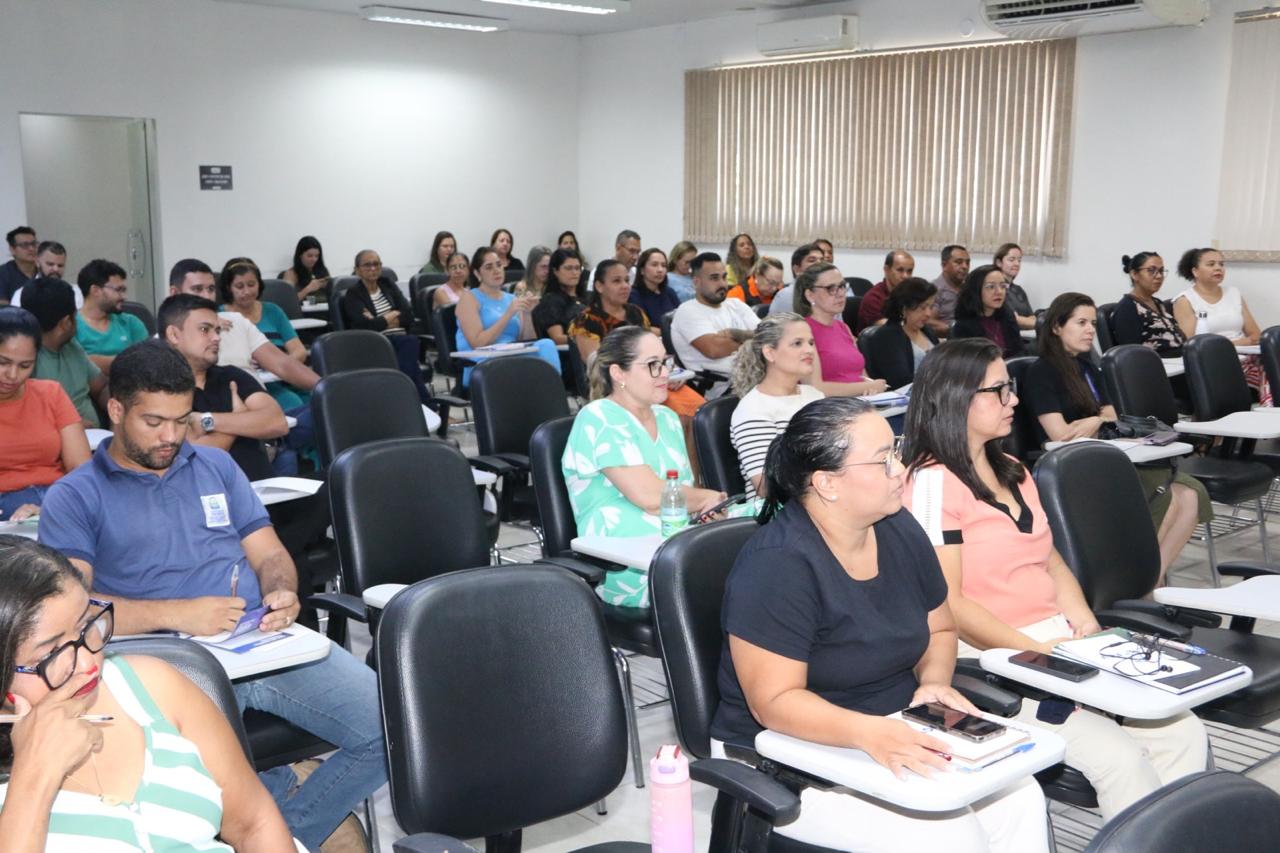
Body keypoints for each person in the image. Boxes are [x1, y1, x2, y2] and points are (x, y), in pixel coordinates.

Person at [36, 340, 388, 849]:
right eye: (154, 422)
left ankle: (281, 833)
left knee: (392, 726)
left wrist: (282, 592)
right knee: (187, 784)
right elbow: (76, 612)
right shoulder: (75, 495)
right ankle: (267, 819)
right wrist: (180, 614)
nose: (171, 436)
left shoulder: (216, 466)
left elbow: (269, 554)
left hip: (259, 643)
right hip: (168, 665)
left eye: (182, 421)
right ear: (115, 410)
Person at [710, 396, 1049, 853]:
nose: (901, 470)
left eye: (896, 451)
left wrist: (933, 682)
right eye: (883, 460)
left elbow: (940, 629)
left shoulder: (897, 527)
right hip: (783, 752)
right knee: (950, 836)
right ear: (827, 483)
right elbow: (775, 703)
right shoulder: (777, 565)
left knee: (1020, 797)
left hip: (892, 725)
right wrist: (869, 733)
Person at [901, 337, 1210, 821]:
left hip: (1057, 642)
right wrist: (1038, 653)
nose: (1013, 400)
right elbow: (948, 604)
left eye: (1010, 387)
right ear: (957, 398)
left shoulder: (1013, 470)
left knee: (1182, 729)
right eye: (999, 391)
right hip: (995, 654)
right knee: (1120, 758)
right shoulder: (930, 482)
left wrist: (1085, 624)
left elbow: (1049, 560)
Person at [0, 536, 298, 851]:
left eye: (87, 627)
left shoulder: (153, 686)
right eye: (50, 654)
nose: (88, 664)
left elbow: (254, 823)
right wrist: (33, 780)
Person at [1026, 293, 1210, 583]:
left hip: (1107, 455)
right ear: (1057, 327)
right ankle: (1139, 579)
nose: (1090, 330)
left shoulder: (1087, 368)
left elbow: (1111, 416)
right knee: (1170, 496)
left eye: (1092, 323)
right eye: (1081, 323)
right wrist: (1098, 420)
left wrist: (1095, 421)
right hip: (1073, 468)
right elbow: (1060, 434)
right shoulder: (1041, 372)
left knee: (1192, 493)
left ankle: (1150, 579)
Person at [562, 327, 725, 608]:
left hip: (673, 543)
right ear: (618, 373)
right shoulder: (598, 417)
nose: (665, 373)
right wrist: (706, 498)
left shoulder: (667, 418)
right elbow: (650, 497)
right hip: (623, 563)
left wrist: (707, 510)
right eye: (652, 365)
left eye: (665, 362)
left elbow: (681, 495)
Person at [159, 294, 289, 482]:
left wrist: (207, 420)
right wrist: (241, 419)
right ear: (174, 335)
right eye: (205, 329)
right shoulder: (159, 388)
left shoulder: (231, 375)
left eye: (217, 330)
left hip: (263, 490)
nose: (216, 338)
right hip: (210, 495)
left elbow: (276, 422)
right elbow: (198, 457)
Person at [167, 259, 320, 403]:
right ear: (174, 293)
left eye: (211, 289)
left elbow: (282, 364)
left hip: (261, 402)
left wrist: (326, 387)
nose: (206, 296)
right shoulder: (169, 339)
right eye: (197, 289)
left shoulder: (236, 321)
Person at [0, 307, 91, 522]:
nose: (12, 375)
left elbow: (81, 469)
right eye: (3, 363)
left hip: (56, 497)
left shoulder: (51, 394)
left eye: (25, 366)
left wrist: (52, 508)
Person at [727, 313, 824, 498]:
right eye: (797, 343)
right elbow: (766, 487)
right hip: (783, 508)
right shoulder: (753, 409)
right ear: (770, 353)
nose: (809, 350)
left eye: (811, 343)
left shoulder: (814, 395)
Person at [1172, 247, 1268, 403]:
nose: (1218, 268)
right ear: (1195, 271)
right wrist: (1234, 344)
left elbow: (1256, 335)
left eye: (1221, 264)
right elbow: (1190, 344)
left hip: (1245, 358)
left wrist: (1232, 344)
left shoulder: (1234, 293)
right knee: (1268, 371)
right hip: (1213, 360)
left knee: (1272, 362)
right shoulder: (1185, 300)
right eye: (1211, 264)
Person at [456, 247, 559, 386]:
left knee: (546, 344)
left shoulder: (511, 299)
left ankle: (553, 390)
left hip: (512, 356)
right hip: (483, 363)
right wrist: (508, 314)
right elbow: (477, 343)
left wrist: (528, 314)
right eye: (489, 267)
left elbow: (526, 340)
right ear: (477, 273)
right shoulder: (469, 298)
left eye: (499, 265)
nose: (496, 270)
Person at [342, 249, 431, 403]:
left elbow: (408, 315)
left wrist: (380, 320)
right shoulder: (353, 294)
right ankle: (425, 405)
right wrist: (392, 314)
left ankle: (409, 401)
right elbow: (367, 326)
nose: (373, 268)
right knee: (410, 348)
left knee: (409, 356)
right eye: (367, 265)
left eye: (376, 264)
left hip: (401, 340)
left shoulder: (387, 284)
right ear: (357, 270)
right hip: (377, 343)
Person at [219, 261, 310, 413]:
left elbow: (299, 351)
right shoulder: (221, 317)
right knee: (293, 403)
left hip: (284, 376)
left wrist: (276, 365)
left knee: (319, 400)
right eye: (239, 286)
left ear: (259, 285)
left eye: (251, 284)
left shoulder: (274, 311)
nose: (246, 291)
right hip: (253, 385)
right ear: (229, 288)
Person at [22, 280, 108, 429]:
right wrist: (71, 425)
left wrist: (119, 411)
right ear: (66, 322)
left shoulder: (71, 345)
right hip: (55, 438)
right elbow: (24, 415)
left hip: (95, 437)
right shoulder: (24, 360)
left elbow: (101, 387)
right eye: (75, 315)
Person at [669, 252, 760, 391]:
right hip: (725, 387)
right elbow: (715, 349)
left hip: (756, 376)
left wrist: (736, 334)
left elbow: (768, 334)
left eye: (724, 277)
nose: (722, 283)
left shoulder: (736, 304)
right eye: (714, 278)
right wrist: (753, 340)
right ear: (696, 282)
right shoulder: (687, 311)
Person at [793, 263, 887, 397]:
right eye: (831, 288)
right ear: (810, 295)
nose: (841, 294)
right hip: (828, 406)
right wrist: (866, 387)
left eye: (842, 286)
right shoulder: (803, 330)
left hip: (859, 401)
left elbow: (862, 376)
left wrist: (872, 387)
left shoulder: (843, 327)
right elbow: (814, 388)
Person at [862, 277, 939, 389]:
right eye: (922, 308)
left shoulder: (927, 331)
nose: (928, 313)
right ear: (904, 308)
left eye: (930, 307)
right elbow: (900, 381)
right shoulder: (887, 337)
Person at [75, 260, 148, 372]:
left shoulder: (131, 323)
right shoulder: (71, 326)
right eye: (119, 290)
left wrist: (93, 361)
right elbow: (75, 365)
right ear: (96, 290)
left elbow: (147, 362)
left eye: (124, 290)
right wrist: (127, 361)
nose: (124, 296)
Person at [1112, 251, 1187, 357]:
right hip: (1158, 364)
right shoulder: (1127, 308)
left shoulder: (1158, 303)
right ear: (1134, 274)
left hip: (1180, 359)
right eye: (1151, 270)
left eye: (1161, 271)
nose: (1159, 276)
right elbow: (1132, 354)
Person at [951, 264, 1024, 358]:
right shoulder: (962, 327)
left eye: (1003, 286)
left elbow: (1019, 351)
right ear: (976, 290)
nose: (999, 292)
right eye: (991, 287)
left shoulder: (1007, 316)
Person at [531, 248, 586, 344]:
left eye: (577, 268)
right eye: (568, 268)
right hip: (566, 351)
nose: (574, 272)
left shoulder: (586, 298)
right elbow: (557, 338)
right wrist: (592, 338)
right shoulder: (551, 301)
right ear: (555, 271)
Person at [855, 250, 916, 333]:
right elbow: (891, 328)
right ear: (886, 269)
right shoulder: (873, 298)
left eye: (909, 271)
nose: (905, 276)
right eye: (900, 270)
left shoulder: (910, 294)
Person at [767, 243, 825, 317]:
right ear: (797, 270)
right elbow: (774, 324)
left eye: (822, 260)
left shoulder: (828, 293)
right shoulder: (786, 296)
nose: (820, 264)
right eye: (812, 260)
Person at [629, 247, 681, 324]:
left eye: (663, 265)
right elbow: (642, 327)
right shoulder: (634, 295)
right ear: (642, 270)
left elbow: (681, 319)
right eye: (654, 265)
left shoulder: (669, 292)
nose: (660, 270)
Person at [993, 243, 1036, 330]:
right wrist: (1041, 324)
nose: (1017, 264)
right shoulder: (994, 289)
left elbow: (1032, 317)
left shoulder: (1018, 290)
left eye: (1019, 260)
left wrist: (1026, 321)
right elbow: (1012, 320)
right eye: (1011, 260)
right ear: (999, 263)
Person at [930, 244, 970, 335]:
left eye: (967, 263)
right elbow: (928, 321)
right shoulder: (934, 290)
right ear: (944, 265)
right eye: (959, 262)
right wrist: (954, 328)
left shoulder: (968, 288)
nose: (965, 266)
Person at [279, 235, 330, 303]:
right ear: (300, 255)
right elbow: (287, 301)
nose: (314, 259)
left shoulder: (322, 270)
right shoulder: (291, 273)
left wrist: (329, 286)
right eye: (309, 256)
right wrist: (308, 289)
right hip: (302, 309)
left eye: (317, 256)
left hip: (323, 307)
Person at [0, 227, 38, 305]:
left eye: (34, 244)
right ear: (12, 250)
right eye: (25, 245)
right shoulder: (3, 273)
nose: (31, 249)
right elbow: (3, 307)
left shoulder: (44, 269)